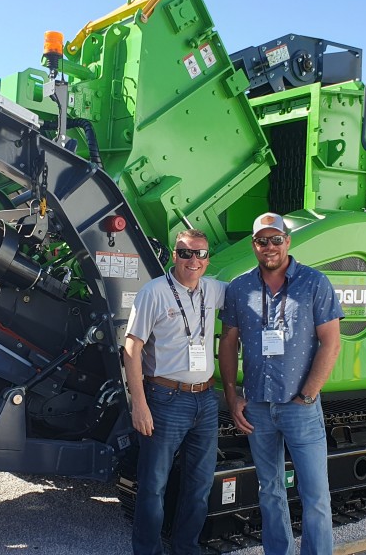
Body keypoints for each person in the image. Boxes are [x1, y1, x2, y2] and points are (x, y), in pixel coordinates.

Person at [218, 212, 343, 555]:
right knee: (269, 490)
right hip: (257, 406)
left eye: (276, 240)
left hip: (299, 407)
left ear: (288, 242)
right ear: (253, 245)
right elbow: (228, 341)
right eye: (262, 241)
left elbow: (331, 342)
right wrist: (232, 395)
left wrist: (309, 392)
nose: (269, 247)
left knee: (315, 494)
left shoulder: (314, 283)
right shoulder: (240, 287)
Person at [124, 228, 227, 555]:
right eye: (185, 253)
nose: (192, 260)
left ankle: (186, 548)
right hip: (166, 400)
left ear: (208, 259)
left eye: (200, 253)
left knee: (198, 485)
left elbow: (254, 291)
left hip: (205, 401)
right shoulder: (153, 292)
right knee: (154, 487)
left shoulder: (213, 290)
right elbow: (131, 348)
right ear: (173, 255)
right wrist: (138, 404)